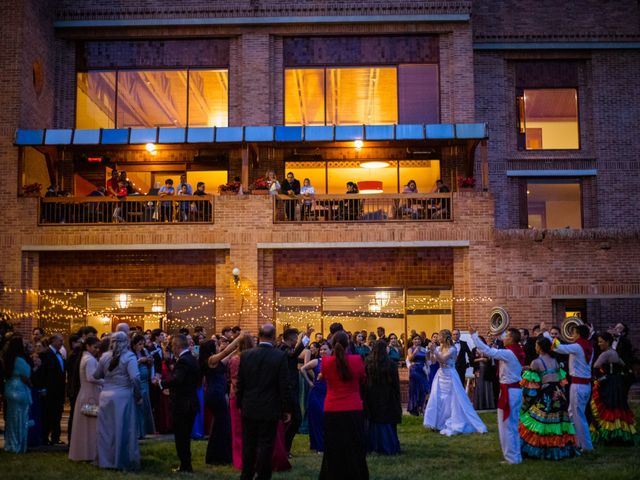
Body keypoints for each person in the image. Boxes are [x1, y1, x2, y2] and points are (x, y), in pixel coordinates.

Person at [237, 324, 292, 480]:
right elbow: (284, 384)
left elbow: (241, 383)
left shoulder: (246, 355)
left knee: (249, 444)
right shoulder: (279, 356)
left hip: (249, 405)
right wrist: (287, 408)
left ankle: (246, 475)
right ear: (274, 337)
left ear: (259, 336)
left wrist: (240, 404)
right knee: (266, 445)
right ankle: (263, 476)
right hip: (270, 407)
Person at [519, 336, 579, 460]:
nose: (535, 347)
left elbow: (532, 386)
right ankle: (561, 449)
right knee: (559, 421)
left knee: (541, 420)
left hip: (546, 393)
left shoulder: (536, 362)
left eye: (536, 345)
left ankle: (542, 450)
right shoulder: (555, 360)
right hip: (558, 393)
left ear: (540, 347)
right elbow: (560, 379)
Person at [470, 327, 524, 464]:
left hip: (509, 391)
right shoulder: (518, 350)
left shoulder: (509, 353)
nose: (503, 338)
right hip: (515, 390)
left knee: (506, 425)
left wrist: (475, 336)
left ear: (511, 338)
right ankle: (516, 455)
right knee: (513, 424)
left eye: (506, 336)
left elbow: (488, 351)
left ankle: (511, 458)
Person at [319, 331, 368, 480]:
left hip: (332, 407)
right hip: (353, 407)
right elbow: (363, 378)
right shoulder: (357, 360)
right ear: (348, 344)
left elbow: (323, 376)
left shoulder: (326, 362)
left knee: (333, 445)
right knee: (354, 443)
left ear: (332, 345)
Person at [423, 329, 487, 436]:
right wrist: (429, 352)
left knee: (452, 399)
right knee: (438, 398)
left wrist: (434, 351)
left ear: (444, 337)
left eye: (439, 336)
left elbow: (443, 359)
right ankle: (437, 423)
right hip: (440, 375)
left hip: (450, 375)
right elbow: (433, 361)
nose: (438, 338)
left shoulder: (452, 349)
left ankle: (452, 421)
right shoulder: (438, 348)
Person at [94, 331, 142, 471]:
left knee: (106, 430)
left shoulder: (104, 357)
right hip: (123, 397)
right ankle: (121, 460)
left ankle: (105, 460)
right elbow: (135, 378)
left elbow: (97, 375)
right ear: (126, 342)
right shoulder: (129, 357)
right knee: (123, 429)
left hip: (105, 396)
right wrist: (138, 395)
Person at [543, 322, 594, 452]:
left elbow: (557, 348)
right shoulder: (588, 346)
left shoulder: (577, 346)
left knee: (578, 415)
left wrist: (546, 333)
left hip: (578, 385)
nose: (572, 335)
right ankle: (578, 442)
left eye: (574, 333)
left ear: (579, 334)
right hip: (585, 384)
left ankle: (586, 446)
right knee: (573, 413)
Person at [203, 333, 245, 465]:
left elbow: (229, 354)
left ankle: (217, 455)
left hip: (218, 393)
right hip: (215, 394)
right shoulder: (211, 360)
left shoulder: (217, 361)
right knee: (223, 424)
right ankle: (219, 456)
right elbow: (226, 351)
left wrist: (238, 348)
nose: (218, 346)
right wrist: (238, 338)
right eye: (215, 345)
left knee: (220, 425)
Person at [161, 334, 200, 473]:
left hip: (183, 404)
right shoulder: (192, 358)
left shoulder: (183, 361)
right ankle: (186, 464)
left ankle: (185, 465)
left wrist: (161, 383)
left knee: (181, 436)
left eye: (172, 346)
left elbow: (177, 380)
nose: (172, 348)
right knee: (185, 436)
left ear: (177, 346)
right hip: (191, 402)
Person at [590, 332, 638, 445]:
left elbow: (595, 366)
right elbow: (623, 365)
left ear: (607, 342)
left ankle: (609, 435)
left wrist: (598, 377)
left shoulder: (605, 354)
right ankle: (619, 434)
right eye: (598, 341)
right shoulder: (614, 353)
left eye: (601, 341)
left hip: (608, 383)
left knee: (608, 406)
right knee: (618, 406)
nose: (599, 343)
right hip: (618, 383)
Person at [69, 335, 103, 461]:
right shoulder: (89, 360)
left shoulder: (85, 357)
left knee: (86, 426)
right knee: (91, 425)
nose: (97, 350)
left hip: (86, 393)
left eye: (98, 347)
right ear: (88, 346)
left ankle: (84, 452)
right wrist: (105, 382)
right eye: (95, 347)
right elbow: (91, 377)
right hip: (90, 395)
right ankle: (89, 453)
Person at [364, 340, 402, 455]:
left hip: (371, 395)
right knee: (386, 419)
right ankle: (387, 445)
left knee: (374, 419)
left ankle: (372, 445)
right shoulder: (391, 364)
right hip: (387, 395)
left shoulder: (367, 363)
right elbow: (395, 383)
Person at [279, 327, 309, 455]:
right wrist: (306, 337)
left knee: (293, 419)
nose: (297, 340)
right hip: (289, 389)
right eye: (296, 338)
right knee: (295, 418)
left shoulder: (287, 348)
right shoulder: (283, 348)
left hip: (291, 388)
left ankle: (286, 449)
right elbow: (294, 354)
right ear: (291, 338)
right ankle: (284, 448)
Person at [2, 335, 32, 453]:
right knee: (20, 418)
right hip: (19, 389)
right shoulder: (19, 360)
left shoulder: (7, 358)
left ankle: (10, 443)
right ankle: (18, 445)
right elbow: (26, 374)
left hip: (9, 387)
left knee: (11, 418)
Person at [35, 333, 66, 446]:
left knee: (57, 414)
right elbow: (42, 373)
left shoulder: (60, 354)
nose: (62, 342)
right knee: (47, 414)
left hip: (59, 390)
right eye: (60, 340)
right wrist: (43, 387)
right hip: (49, 389)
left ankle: (55, 438)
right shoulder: (45, 354)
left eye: (62, 340)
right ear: (53, 341)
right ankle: (44, 438)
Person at [301, 342, 331, 452]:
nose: (322, 351)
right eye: (321, 350)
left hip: (329, 393)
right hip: (316, 393)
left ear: (331, 350)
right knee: (317, 418)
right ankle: (318, 445)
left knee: (327, 419)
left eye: (325, 349)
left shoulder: (334, 361)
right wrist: (309, 382)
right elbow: (302, 369)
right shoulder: (316, 361)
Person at [131, 334, 155, 439]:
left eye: (142, 344)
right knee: (137, 407)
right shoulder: (131, 355)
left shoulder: (144, 351)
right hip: (137, 382)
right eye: (139, 344)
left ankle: (143, 431)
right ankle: (137, 432)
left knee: (144, 407)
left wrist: (149, 360)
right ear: (134, 344)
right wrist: (140, 361)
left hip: (145, 382)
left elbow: (151, 363)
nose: (141, 346)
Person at [407, 335, 430, 416]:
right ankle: (414, 408)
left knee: (424, 389)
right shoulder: (410, 349)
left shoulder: (424, 349)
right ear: (412, 341)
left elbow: (427, 360)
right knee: (415, 389)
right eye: (415, 339)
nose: (417, 340)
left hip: (422, 370)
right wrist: (415, 351)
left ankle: (422, 407)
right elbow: (410, 359)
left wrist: (428, 370)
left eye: (419, 339)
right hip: (414, 370)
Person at [471, 336, 495, 410]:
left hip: (487, 370)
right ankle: (479, 405)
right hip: (478, 370)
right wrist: (481, 359)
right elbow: (472, 361)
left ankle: (488, 405)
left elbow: (491, 360)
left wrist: (487, 359)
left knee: (487, 386)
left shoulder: (487, 349)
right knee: (479, 387)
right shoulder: (474, 349)